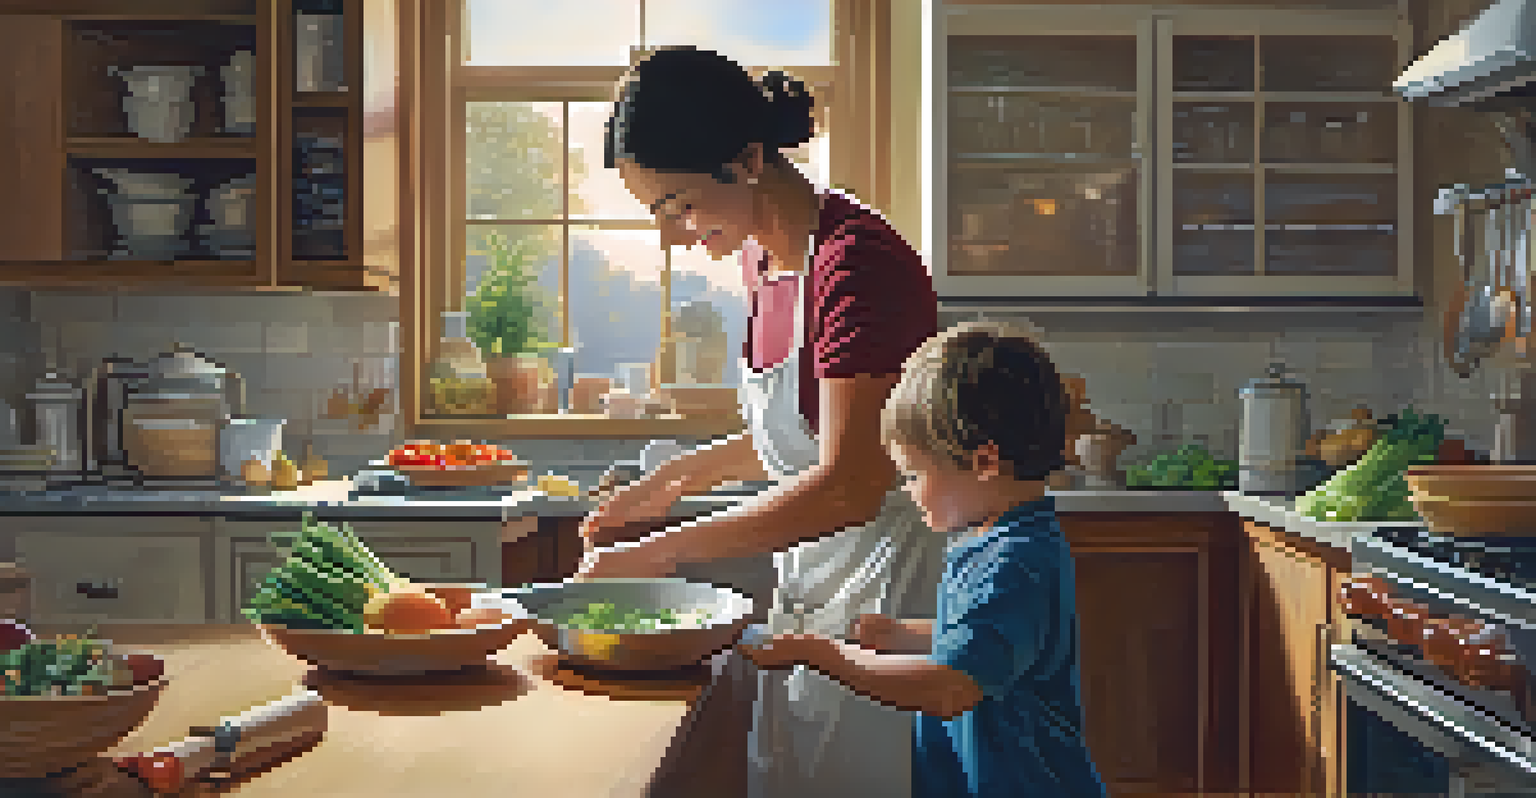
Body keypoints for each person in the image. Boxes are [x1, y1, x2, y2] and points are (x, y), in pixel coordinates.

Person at [578, 46, 949, 797]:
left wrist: (657, 552)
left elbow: (849, 483)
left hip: (890, 595)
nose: (677, 235)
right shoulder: (764, 261)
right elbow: (806, 429)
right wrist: (675, 478)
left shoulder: (856, 266)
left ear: (748, 160)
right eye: (660, 213)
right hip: (815, 592)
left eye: (681, 205)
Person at [741, 320, 1109, 798]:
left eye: (913, 474)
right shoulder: (999, 541)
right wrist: (900, 634)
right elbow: (990, 641)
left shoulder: (1013, 562)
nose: (908, 492)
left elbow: (947, 688)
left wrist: (824, 656)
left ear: (984, 462)